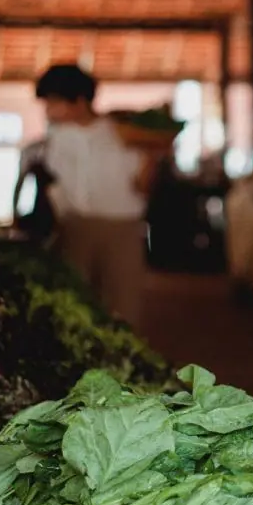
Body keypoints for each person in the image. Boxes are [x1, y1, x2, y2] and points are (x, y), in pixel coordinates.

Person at [29, 64, 162, 324]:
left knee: (121, 307)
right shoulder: (55, 138)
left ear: (79, 101)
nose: (47, 110)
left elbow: (142, 186)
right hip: (73, 227)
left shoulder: (123, 134)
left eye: (53, 103)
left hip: (120, 230)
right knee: (74, 308)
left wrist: (153, 157)